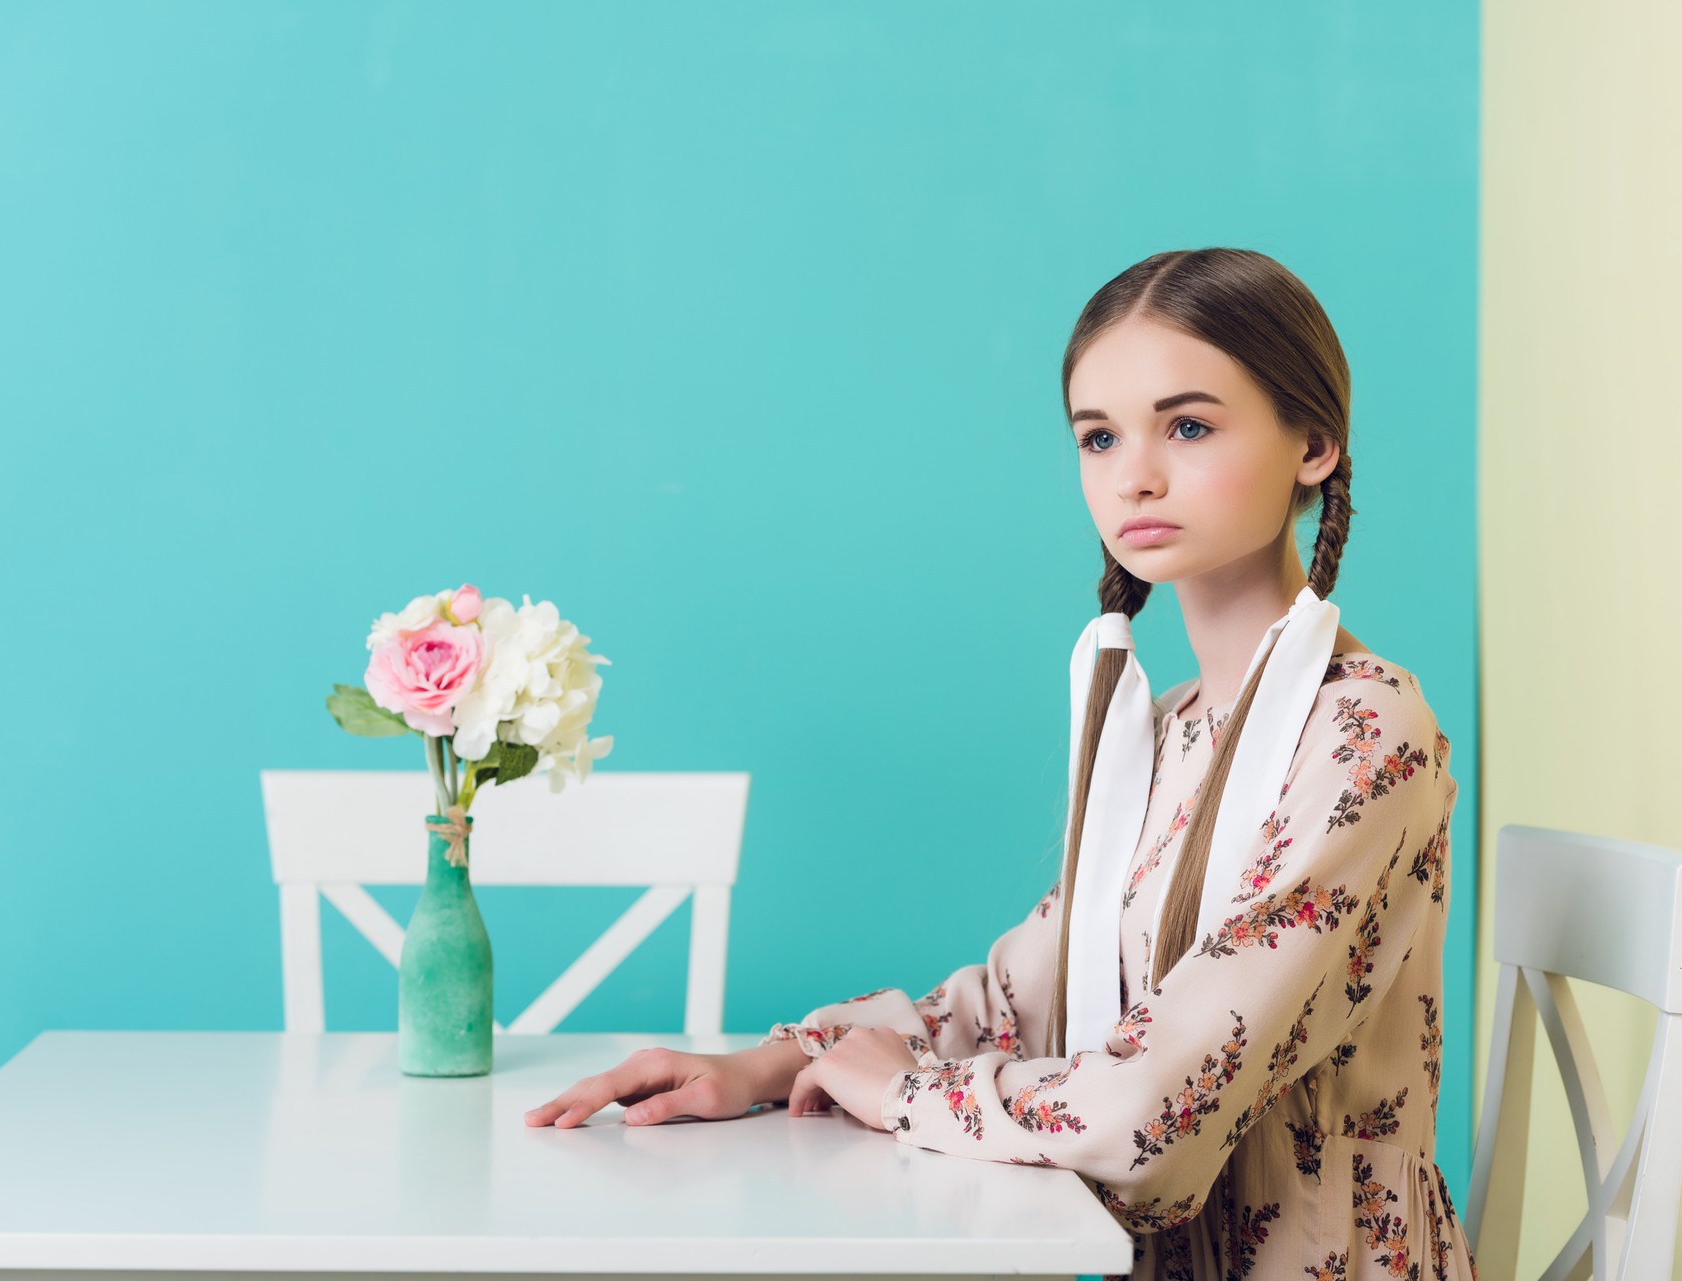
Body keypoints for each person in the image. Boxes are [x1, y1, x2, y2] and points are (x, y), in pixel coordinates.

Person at [524, 248, 1470, 1281]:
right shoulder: (1169, 726)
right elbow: (1023, 997)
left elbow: (1155, 1108)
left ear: (1314, 445)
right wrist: (764, 1065)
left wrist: (902, 1095)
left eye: (1189, 427)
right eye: (1099, 437)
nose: (1134, 475)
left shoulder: (1365, 730)